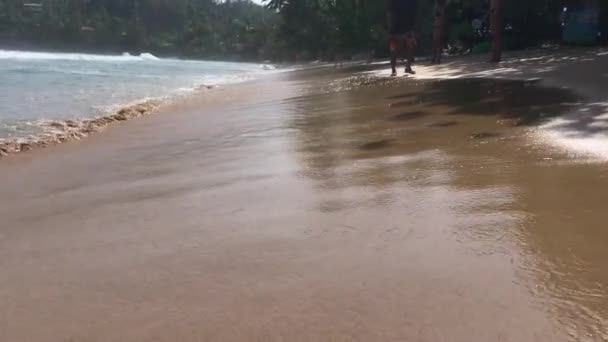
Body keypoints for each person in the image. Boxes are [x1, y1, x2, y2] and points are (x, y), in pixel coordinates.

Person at [387, 0, 418, 76]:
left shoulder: (408, 3)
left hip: (407, 28)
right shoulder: (393, 4)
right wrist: (390, 30)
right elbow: (390, 14)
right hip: (395, 29)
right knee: (393, 51)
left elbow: (412, 14)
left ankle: (408, 67)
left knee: (411, 46)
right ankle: (393, 69)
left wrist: (413, 28)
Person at [431, 0, 447, 64]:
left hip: (438, 26)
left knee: (437, 43)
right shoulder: (439, 8)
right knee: (437, 43)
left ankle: (436, 58)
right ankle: (436, 58)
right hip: (438, 25)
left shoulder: (439, 8)